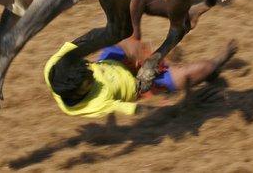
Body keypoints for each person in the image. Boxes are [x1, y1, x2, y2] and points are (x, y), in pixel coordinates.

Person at [45, 37, 238, 117]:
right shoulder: (95, 105)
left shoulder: (53, 68)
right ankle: (215, 66)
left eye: (89, 72)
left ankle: (159, 61)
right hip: (141, 85)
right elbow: (138, 110)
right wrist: (173, 108)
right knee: (202, 69)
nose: (92, 78)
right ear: (79, 92)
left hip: (111, 61)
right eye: (89, 83)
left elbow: (88, 40)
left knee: (120, 35)